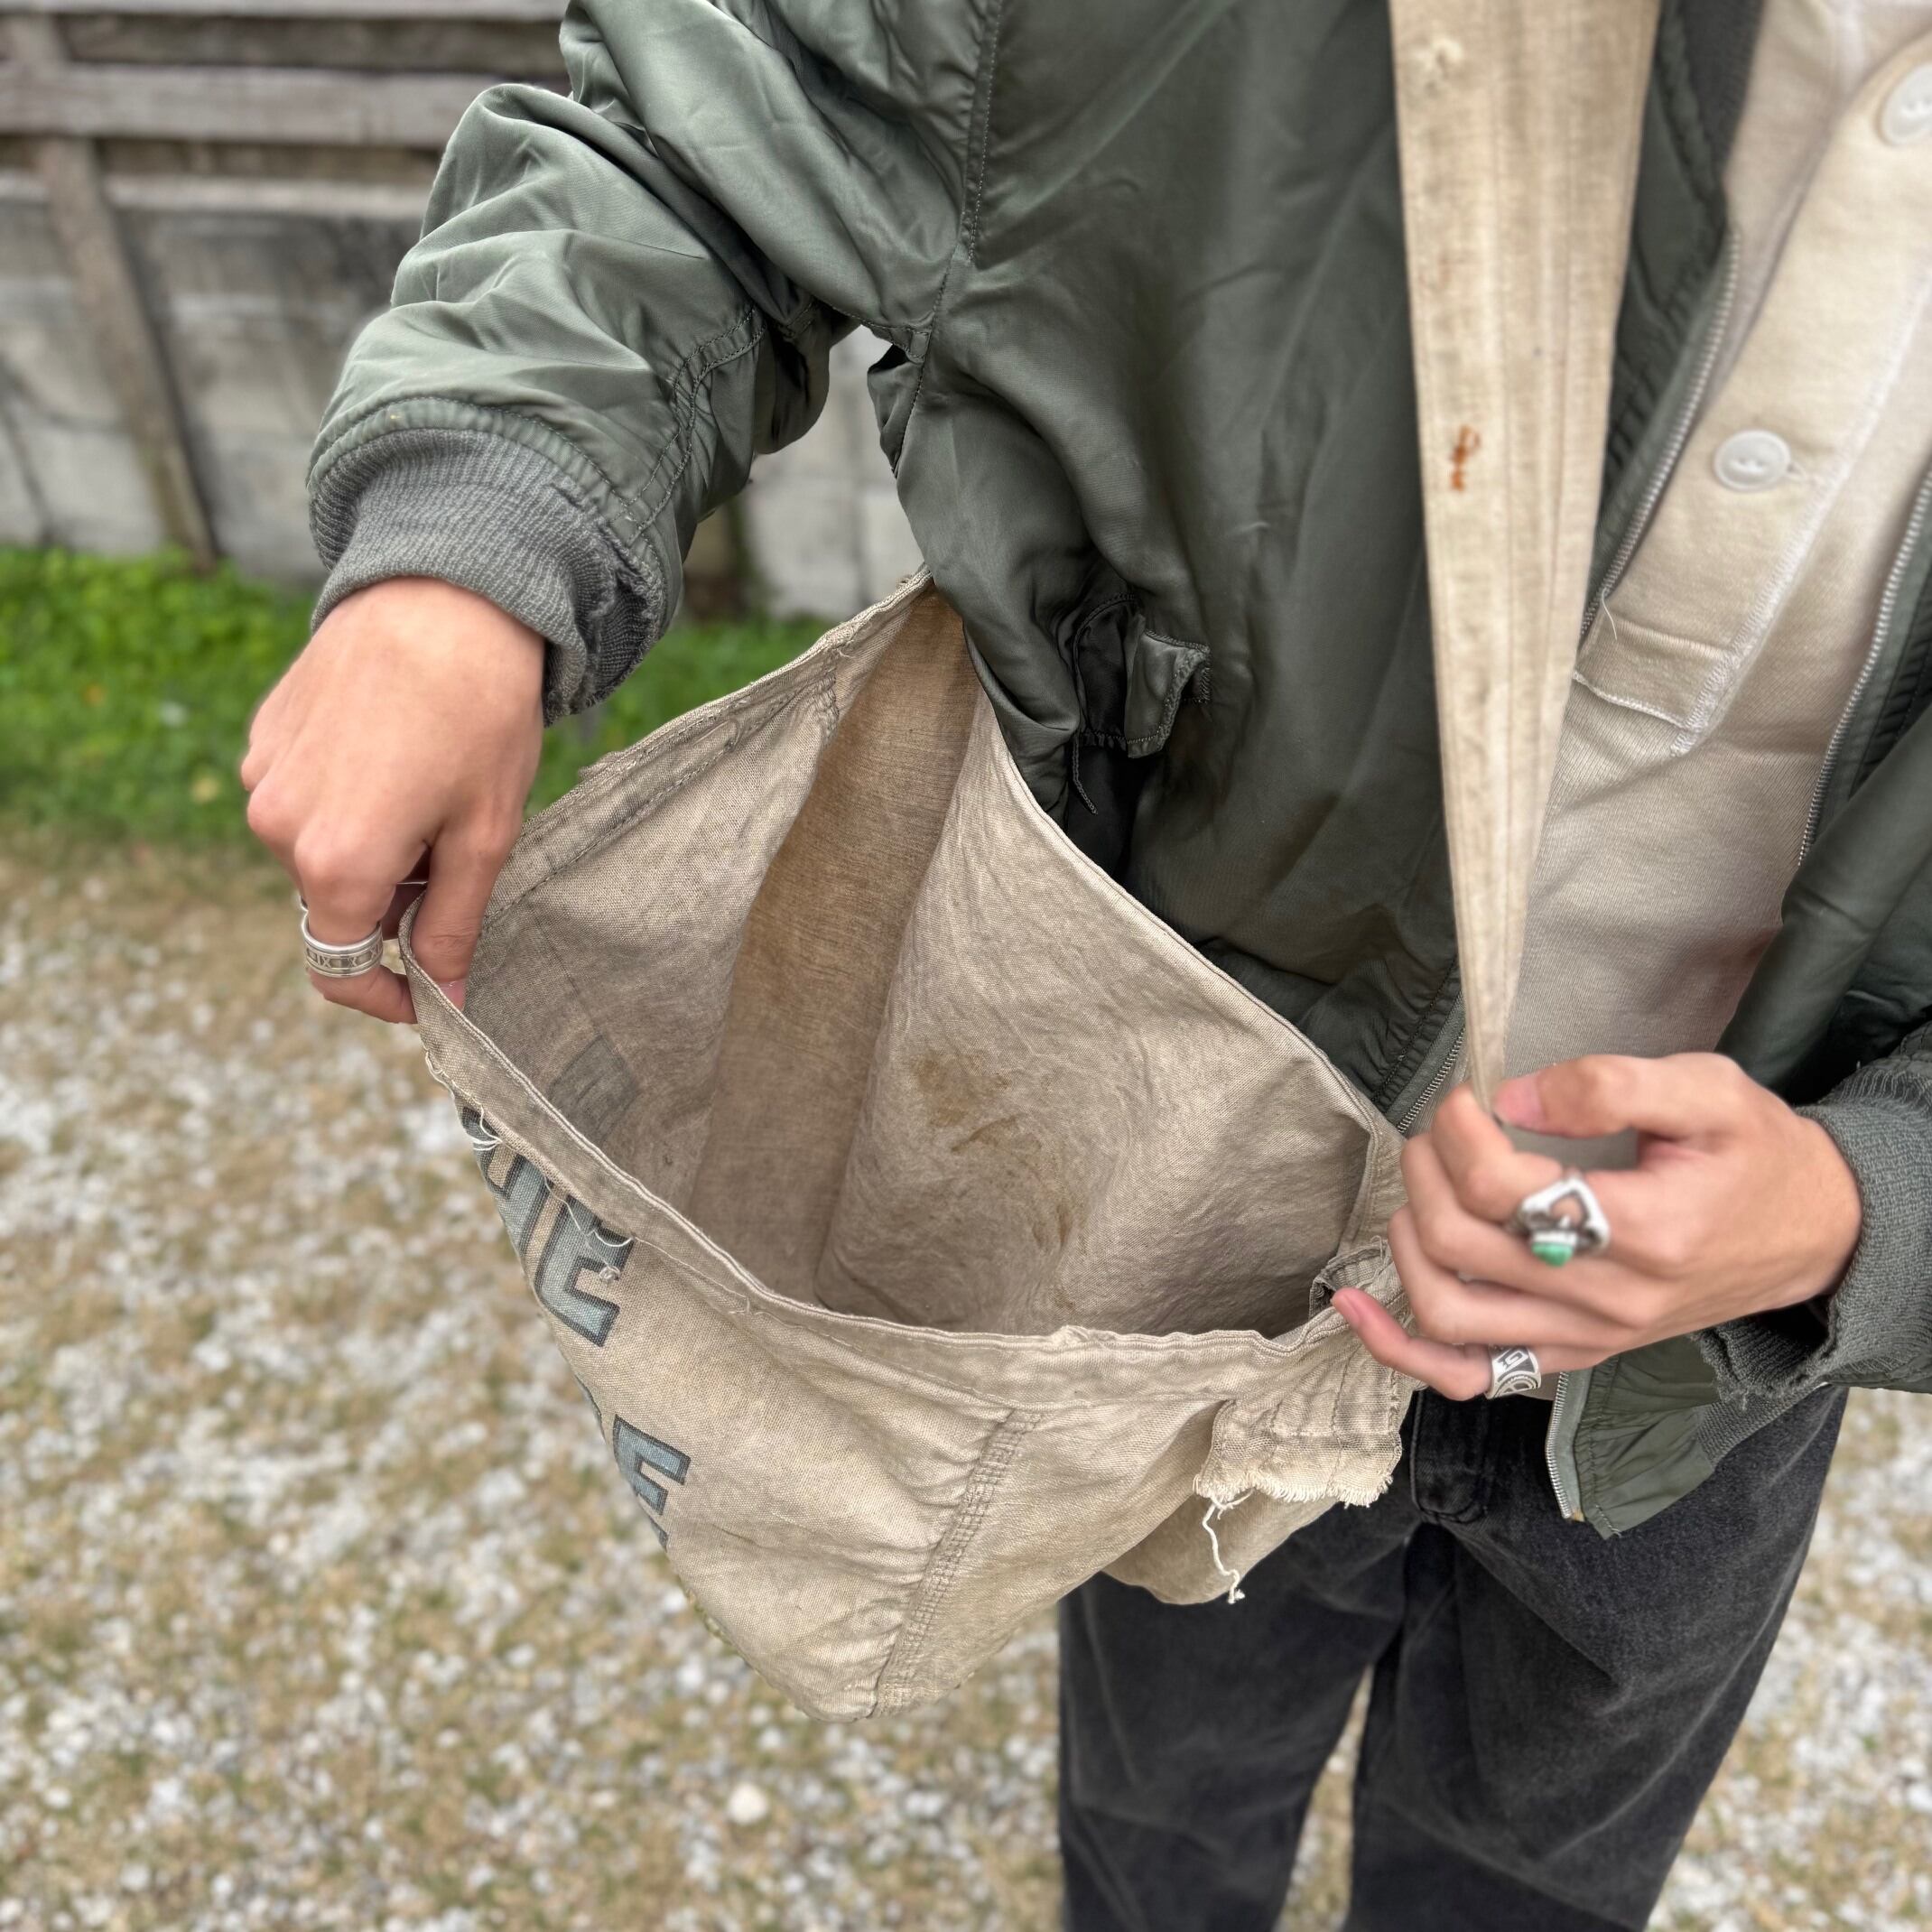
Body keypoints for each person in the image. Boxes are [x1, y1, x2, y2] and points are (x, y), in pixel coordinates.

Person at [240, 2, 1932, 1925]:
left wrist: (1856, 1210)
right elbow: (727, 113)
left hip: (1709, 1371)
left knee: (1532, 1878)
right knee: (1158, 1814)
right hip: (1186, 1229)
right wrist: (467, 537)